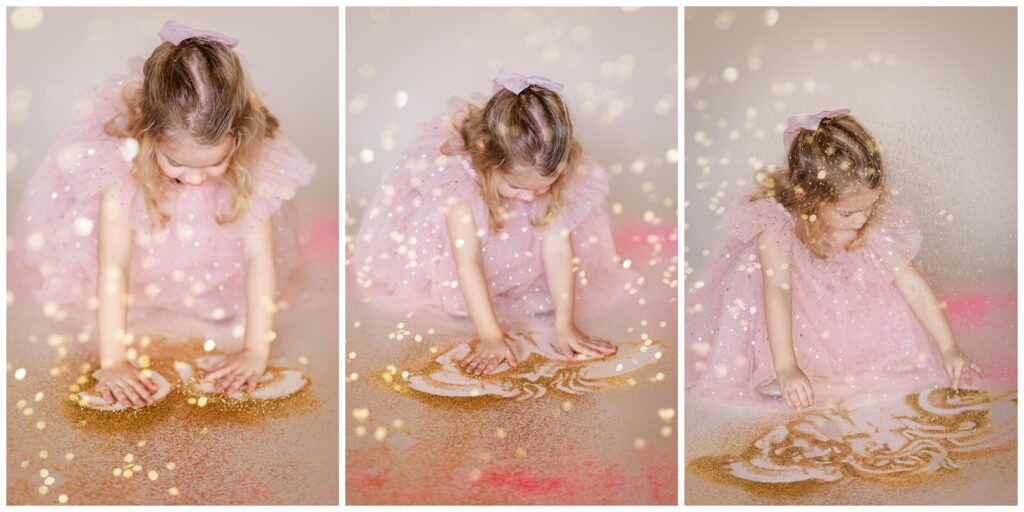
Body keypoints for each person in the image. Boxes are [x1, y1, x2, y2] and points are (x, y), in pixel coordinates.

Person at [10, 21, 316, 408]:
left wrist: (255, 350)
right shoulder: (122, 170)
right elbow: (115, 267)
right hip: (143, 266)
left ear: (236, 138)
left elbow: (258, 258)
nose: (194, 178)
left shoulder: (252, 164)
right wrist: (114, 360)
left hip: (209, 259)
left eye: (214, 163)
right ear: (148, 137)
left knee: (227, 296)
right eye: (175, 163)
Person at [685, 109, 982, 409]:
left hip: (843, 310)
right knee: (754, 273)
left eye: (870, 205)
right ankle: (781, 366)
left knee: (888, 278)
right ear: (808, 199)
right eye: (848, 213)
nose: (862, 219)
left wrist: (949, 348)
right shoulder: (778, 225)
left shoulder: (868, 221)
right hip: (794, 312)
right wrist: (787, 367)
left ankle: (861, 359)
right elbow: (777, 290)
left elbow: (910, 281)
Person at [353, 69, 634, 375]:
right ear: (485, 156)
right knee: (458, 304)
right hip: (461, 257)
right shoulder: (458, 178)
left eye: (544, 188)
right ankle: (483, 312)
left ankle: (519, 287)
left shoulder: (550, 173)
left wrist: (566, 324)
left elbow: (557, 249)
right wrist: (490, 336)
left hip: (520, 252)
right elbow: (469, 261)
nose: (529, 199)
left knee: (541, 303)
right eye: (517, 188)